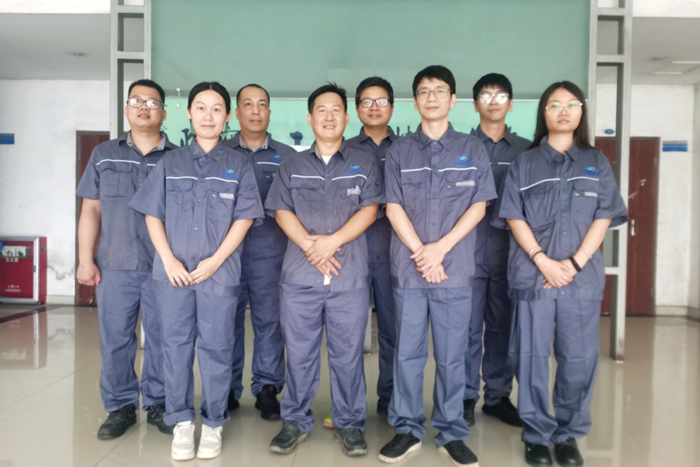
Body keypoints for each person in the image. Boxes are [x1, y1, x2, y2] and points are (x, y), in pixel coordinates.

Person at [129, 82, 264, 461]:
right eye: (201, 108)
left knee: (217, 349)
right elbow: (152, 214)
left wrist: (216, 260)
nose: (208, 116)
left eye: (216, 109)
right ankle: (182, 423)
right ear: (188, 113)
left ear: (227, 116)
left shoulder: (239, 164)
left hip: (218, 274)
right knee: (174, 348)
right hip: (172, 275)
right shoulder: (170, 163)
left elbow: (244, 218)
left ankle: (214, 422)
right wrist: (168, 259)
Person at [497, 81, 627, 467]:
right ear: (544, 113)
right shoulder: (524, 163)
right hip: (534, 276)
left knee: (578, 359)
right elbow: (514, 216)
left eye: (572, 104)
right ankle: (537, 434)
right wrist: (543, 261)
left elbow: (604, 215)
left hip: (580, 279)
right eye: (555, 105)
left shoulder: (596, 162)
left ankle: (567, 435)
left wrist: (574, 263)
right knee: (530, 357)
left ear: (581, 112)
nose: (564, 111)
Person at [379, 65, 496, 467]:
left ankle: (451, 432)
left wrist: (440, 250)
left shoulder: (472, 149)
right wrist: (422, 253)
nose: (432, 97)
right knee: (407, 353)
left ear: (453, 100)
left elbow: (478, 206)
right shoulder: (399, 151)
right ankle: (407, 429)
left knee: (452, 355)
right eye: (424, 91)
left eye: (439, 90)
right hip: (410, 270)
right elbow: (393, 207)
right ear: (415, 102)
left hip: (454, 270)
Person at [265, 83, 384, 457]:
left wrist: (332, 242)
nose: (329, 117)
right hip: (300, 276)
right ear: (309, 118)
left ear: (347, 118)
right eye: (321, 110)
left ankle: (349, 423)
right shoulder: (292, 165)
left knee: (347, 354)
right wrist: (310, 247)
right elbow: (281, 210)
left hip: (349, 276)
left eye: (336, 110)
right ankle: (295, 421)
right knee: (299, 353)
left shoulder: (364, 163)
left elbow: (370, 209)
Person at [76, 79, 176, 440]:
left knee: (163, 339)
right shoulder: (104, 154)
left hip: (163, 267)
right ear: (126, 109)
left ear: (164, 113)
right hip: (115, 265)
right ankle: (120, 407)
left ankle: (159, 403)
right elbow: (91, 210)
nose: (144, 107)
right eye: (137, 101)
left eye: (152, 102)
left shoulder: (178, 158)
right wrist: (85, 259)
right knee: (116, 340)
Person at [224, 84, 297, 420]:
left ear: (269, 112)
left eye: (262, 104)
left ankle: (267, 388)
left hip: (272, 255)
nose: (255, 111)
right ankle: (226, 387)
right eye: (248, 104)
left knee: (270, 323)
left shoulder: (288, 157)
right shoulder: (220, 153)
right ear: (236, 112)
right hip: (225, 256)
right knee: (225, 322)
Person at [462, 73, 531, 427]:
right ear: (475, 104)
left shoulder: (526, 151)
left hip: (510, 255)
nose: (493, 101)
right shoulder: (459, 148)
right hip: (466, 254)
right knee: (466, 330)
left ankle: (498, 397)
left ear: (511, 104)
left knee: (502, 328)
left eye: (500, 95)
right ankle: (464, 396)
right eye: (486, 95)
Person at [345, 76, 398, 420]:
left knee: (394, 331)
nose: (374, 107)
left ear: (392, 106)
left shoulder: (407, 149)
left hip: (396, 253)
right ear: (356, 108)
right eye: (367, 101)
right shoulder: (345, 150)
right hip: (352, 253)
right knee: (348, 335)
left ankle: (390, 398)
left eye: (381, 101)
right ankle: (349, 405)